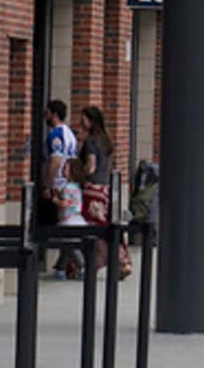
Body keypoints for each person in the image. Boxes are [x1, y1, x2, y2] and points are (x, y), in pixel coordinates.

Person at [74, 105, 131, 280]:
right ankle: (121, 259)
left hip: (93, 190)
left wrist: (78, 172)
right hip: (106, 189)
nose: (80, 122)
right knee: (108, 227)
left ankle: (105, 262)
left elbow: (91, 167)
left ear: (90, 120)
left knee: (95, 230)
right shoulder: (106, 139)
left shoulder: (90, 141)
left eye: (83, 118)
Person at [45, 99, 83, 278]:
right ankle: (62, 267)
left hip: (59, 184)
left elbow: (56, 160)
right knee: (66, 236)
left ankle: (70, 265)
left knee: (63, 233)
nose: (46, 115)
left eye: (47, 112)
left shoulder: (56, 134)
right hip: (68, 183)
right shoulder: (70, 134)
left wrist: (48, 184)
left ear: (53, 113)